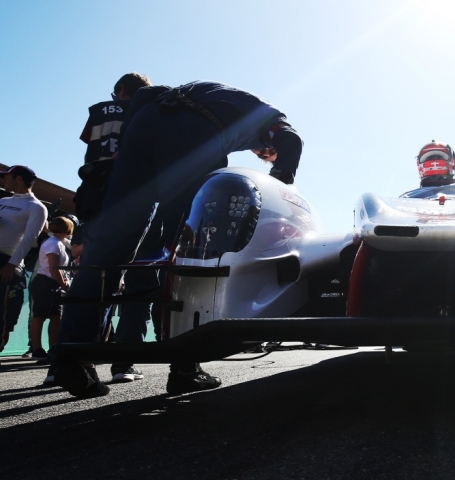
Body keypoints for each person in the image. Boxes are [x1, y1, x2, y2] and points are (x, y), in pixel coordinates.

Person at [54, 81, 304, 399]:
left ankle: (71, 356)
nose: (263, 156)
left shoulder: (216, 93)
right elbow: (292, 139)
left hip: (143, 124)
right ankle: (186, 368)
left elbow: (145, 94)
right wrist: (282, 176)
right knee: (189, 248)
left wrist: (125, 145)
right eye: (267, 155)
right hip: (192, 133)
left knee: (109, 246)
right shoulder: (268, 116)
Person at [76, 73, 153, 384]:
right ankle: (124, 362)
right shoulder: (150, 112)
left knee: (94, 276)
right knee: (140, 278)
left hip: (95, 191)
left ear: (119, 90)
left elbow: (87, 142)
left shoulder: (98, 110)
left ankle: (71, 360)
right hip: (134, 195)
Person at [0, 166, 48, 353]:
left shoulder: (36, 206)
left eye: (6, 177)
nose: (3, 180)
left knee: (4, 312)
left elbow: (29, 239)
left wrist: (11, 264)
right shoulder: (3, 200)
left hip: (7, 262)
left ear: (18, 179)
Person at [29, 217, 73, 367]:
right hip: (45, 282)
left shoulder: (58, 243)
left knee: (56, 316)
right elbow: (54, 268)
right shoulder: (52, 244)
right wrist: (64, 284)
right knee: (40, 315)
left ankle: (53, 348)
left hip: (53, 284)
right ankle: (37, 350)